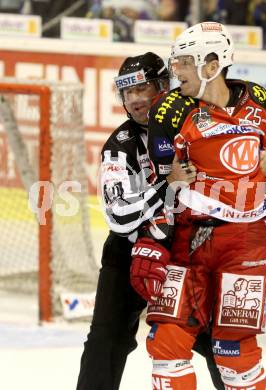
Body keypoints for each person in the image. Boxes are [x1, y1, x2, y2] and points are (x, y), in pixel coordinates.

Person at [130, 22, 266, 389]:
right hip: (187, 239)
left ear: (211, 66)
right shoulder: (169, 111)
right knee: (167, 342)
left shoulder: (259, 101)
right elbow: (161, 182)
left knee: (235, 352)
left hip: (245, 242)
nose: (173, 70)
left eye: (182, 62)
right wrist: (153, 237)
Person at [76, 52, 224, 390]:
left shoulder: (198, 124)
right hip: (129, 254)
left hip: (184, 251)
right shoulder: (119, 147)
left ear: (163, 87)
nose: (138, 99)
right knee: (105, 341)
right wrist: (166, 183)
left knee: (217, 340)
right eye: (129, 93)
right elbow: (119, 216)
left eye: (144, 88)